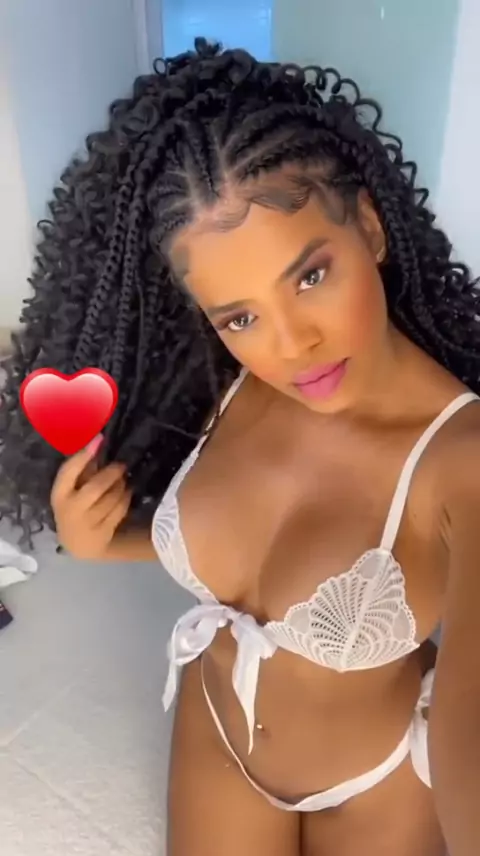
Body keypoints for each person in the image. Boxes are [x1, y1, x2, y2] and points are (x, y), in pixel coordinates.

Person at [1, 37, 479, 856]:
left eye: (310, 276)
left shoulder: (461, 462)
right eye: (240, 315)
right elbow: (244, 553)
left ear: (369, 227)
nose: (291, 346)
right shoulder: (222, 380)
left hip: (376, 781)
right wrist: (102, 541)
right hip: (216, 733)